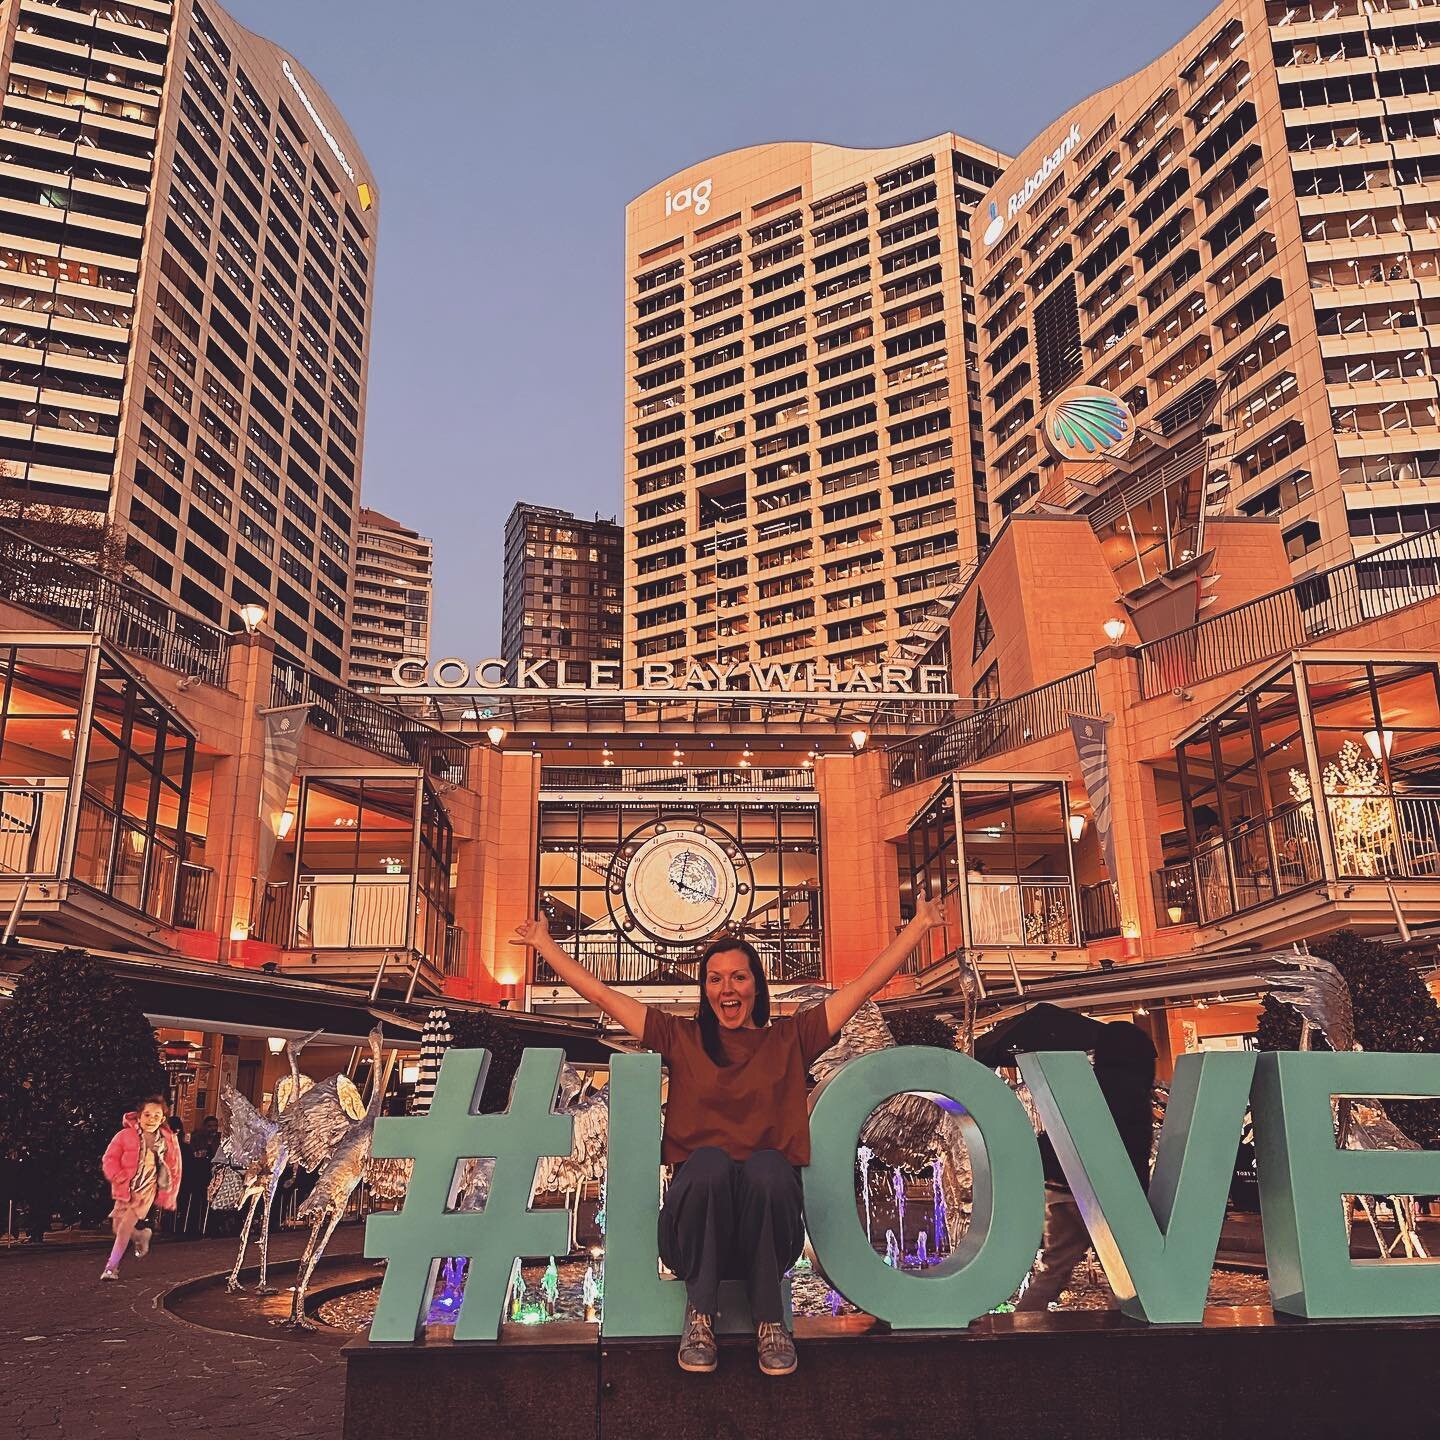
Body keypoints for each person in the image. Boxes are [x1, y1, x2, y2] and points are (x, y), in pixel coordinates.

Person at [514, 893, 949, 1377]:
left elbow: (865, 985)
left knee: (768, 1165)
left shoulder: (791, 1040)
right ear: (705, 989)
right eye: (715, 979)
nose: (728, 988)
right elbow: (602, 996)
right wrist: (543, 944)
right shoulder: (680, 1038)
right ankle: (699, 1314)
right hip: (693, 1237)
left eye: (738, 977)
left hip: (768, 1233)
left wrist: (919, 927)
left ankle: (770, 1321)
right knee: (708, 1162)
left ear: (756, 986)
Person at [1014, 1021, 1156, 1312]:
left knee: (1055, 1270)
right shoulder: (1132, 1090)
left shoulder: (1084, 1085)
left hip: (1064, 1189)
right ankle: (1127, 1327)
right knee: (1131, 1272)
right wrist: (1142, 1200)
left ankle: (1021, 1324)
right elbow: (1134, 1148)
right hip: (1109, 1195)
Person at [99, 1096, 182, 1282]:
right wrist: (117, 1176)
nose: (151, 1119)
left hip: (146, 1190)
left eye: (156, 1115)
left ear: (162, 1119)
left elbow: (175, 1167)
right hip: (125, 1189)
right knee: (117, 1227)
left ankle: (111, 1268)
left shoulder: (166, 1141)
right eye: (147, 1114)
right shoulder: (124, 1136)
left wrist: (167, 1191)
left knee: (123, 1229)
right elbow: (109, 1158)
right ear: (139, 1116)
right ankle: (142, 1236)